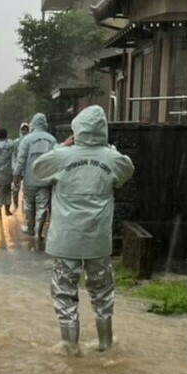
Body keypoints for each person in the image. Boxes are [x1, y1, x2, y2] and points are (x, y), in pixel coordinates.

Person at [32, 105, 135, 352]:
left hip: (66, 240)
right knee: (103, 293)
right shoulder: (112, 158)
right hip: (98, 240)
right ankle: (106, 344)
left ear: (76, 129)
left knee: (65, 293)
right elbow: (127, 169)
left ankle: (69, 346)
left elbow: (38, 169)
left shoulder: (62, 156)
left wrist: (62, 147)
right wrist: (108, 149)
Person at [12, 113, 56, 242]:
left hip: (30, 179)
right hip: (45, 179)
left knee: (29, 205)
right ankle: (39, 231)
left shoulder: (27, 140)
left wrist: (16, 175)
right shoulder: (52, 140)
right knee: (42, 206)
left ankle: (30, 227)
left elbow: (21, 160)